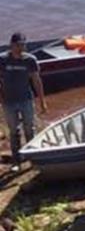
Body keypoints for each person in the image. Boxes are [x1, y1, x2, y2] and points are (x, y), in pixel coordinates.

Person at [0, 32, 47, 172]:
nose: (21, 48)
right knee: (14, 131)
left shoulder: (30, 60)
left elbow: (37, 81)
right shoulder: (2, 59)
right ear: (11, 45)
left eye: (23, 45)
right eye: (18, 45)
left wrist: (42, 101)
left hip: (26, 99)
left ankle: (32, 157)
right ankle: (17, 160)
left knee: (29, 128)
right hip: (8, 102)